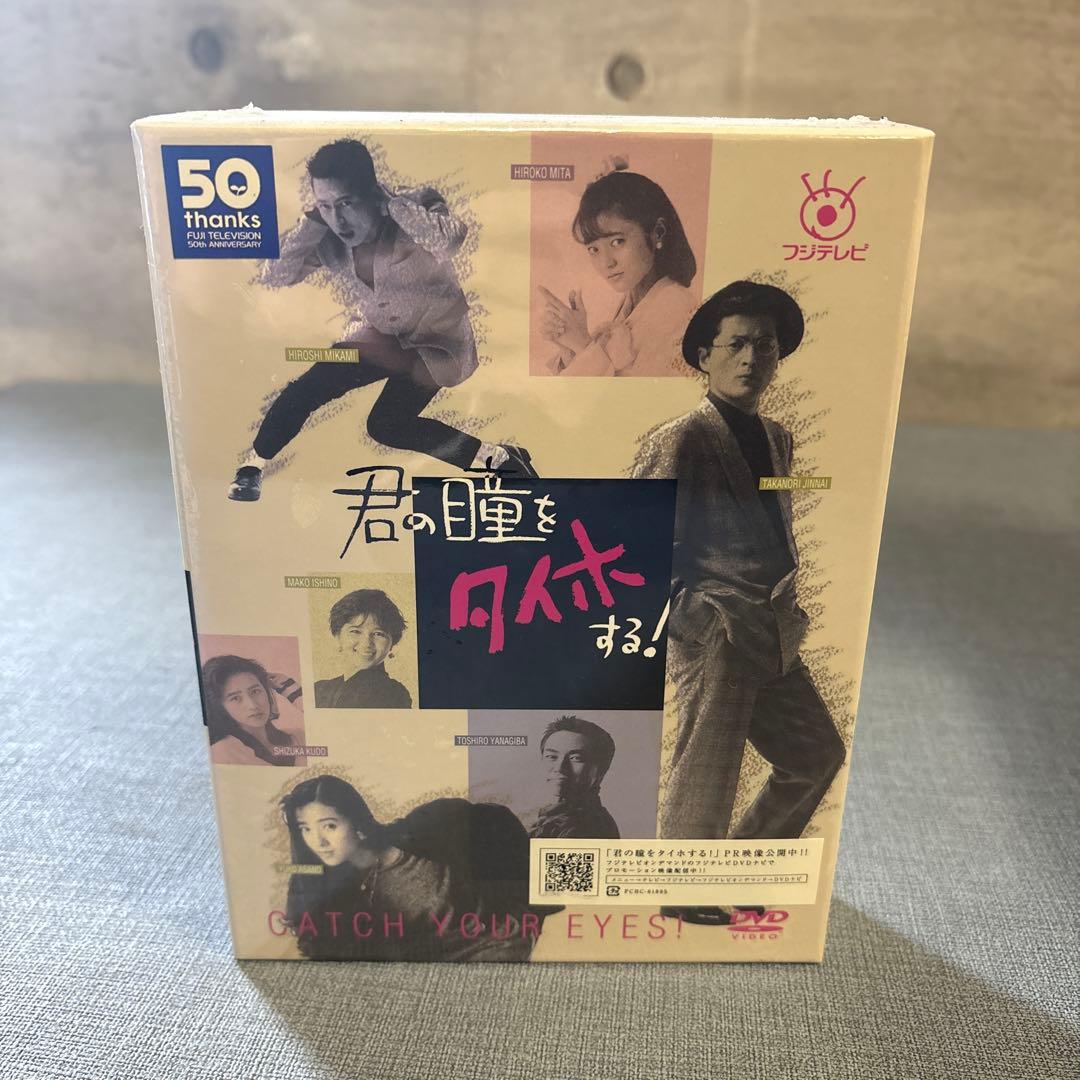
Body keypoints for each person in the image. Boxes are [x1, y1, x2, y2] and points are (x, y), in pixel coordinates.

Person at [632, 280, 846, 925]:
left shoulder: (778, 438)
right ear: (704, 356)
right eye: (737, 344)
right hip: (716, 626)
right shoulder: (681, 438)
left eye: (766, 346)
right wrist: (692, 618)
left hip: (773, 626)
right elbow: (635, 544)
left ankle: (742, 869)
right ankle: (681, 889)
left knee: (815, 753)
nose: (752, 358)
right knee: (708, 762)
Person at [228, 138, 536, 502]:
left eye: (345, 203)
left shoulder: (416, 206)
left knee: (387, 424)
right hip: (382, 337)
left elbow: (449, 242)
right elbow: (276, 274)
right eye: (325, 206)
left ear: (371, 192)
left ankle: (498, 460)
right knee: (311, 384)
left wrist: (393, 205)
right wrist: (312, 221)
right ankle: (252, 467)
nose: (338, 220)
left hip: (438, 342)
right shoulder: (326, 235)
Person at [281, 775, 543, 961]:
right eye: (305, 829)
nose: (318, 842)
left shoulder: (420, 841)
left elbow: (497, 824)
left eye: (329, 826)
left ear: (357, 823)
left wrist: (532, 914)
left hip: (494, 952)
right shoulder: (334, 884)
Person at [538, 162, 698, 377]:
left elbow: (634, 395)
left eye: (617, 242)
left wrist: (583, 345)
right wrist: (569, 343)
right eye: (594, 249)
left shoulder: (678, 308)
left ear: (658, 232)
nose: (606, 263)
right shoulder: (629, 304)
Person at [313, 589, 412, 709]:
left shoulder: (394, 694)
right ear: (338, 636)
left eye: (378, 634)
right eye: (355, 631)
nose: (366, 644)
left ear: (392, 643)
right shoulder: (319, 689)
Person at [202, 654, 305, 766]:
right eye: (235, 698)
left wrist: (296, 695)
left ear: (266, 691)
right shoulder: (224, 751)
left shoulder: (298, 736)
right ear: (219, 706)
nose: (252, 705)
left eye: (255, 691)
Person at [529, 716, 620, 839]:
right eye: (552, 757)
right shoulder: (552, 817)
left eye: (576, 758)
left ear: (601, 771)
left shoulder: (587, 827)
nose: (560, 768)